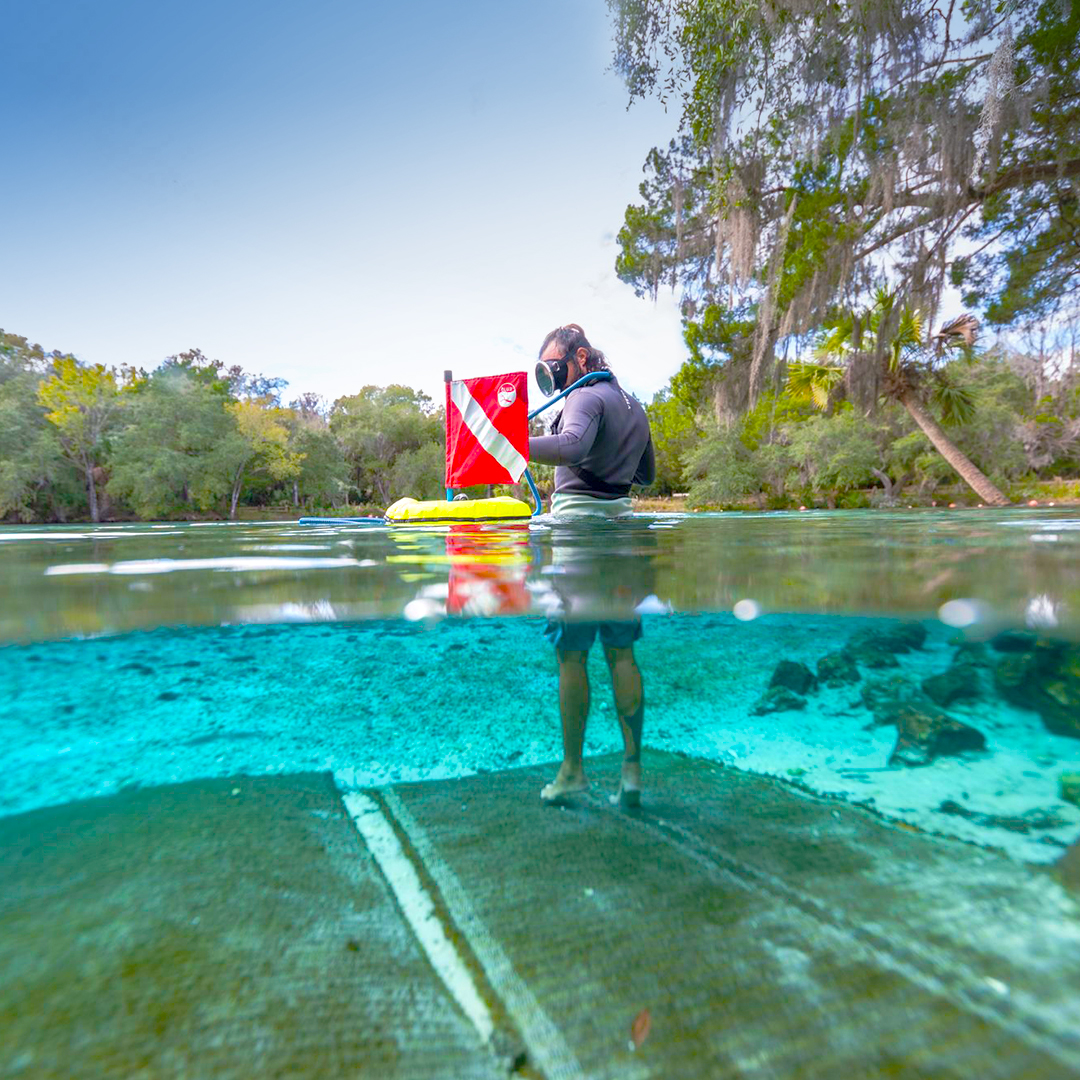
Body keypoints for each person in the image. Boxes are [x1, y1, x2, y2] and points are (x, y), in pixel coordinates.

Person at [528, 324, 655, 808]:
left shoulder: (586, 393)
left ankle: (573, 771)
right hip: (622, 531)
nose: (555, 381)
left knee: (572, 655)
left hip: (579, 537)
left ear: (580, 358)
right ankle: (632, 772)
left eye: (556, 368)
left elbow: (575, 446)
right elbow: (647, 473)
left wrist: (511, 442)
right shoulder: (632, 403)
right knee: (622, 654)